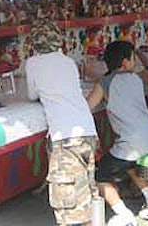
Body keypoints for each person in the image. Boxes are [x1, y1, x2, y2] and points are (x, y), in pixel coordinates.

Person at [25, 20, 98, 226]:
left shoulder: (33, 63)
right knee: (85, 191)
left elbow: (31, 95)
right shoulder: (67, 61)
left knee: (66, 200)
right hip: (87, 131)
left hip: (66, 138)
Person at [87, 41, 148, 225]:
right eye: (132, 58)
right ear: (125, 62)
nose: (134, 61)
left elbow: (87, 107)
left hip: (132, 142)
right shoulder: (136, 78)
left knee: (100, 176)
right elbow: (116, 81)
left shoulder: (105, 83)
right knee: (130, 165)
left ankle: (123, 214)